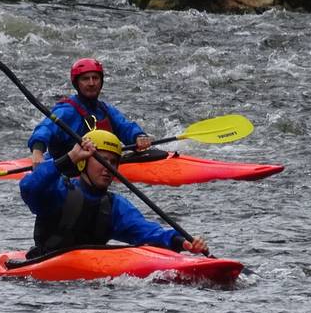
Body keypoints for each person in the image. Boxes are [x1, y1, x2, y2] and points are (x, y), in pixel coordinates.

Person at [19, 129, 208, 260]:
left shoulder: (114, 206)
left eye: (113, 162)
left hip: (88, 277)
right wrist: (69, 158)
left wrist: (183, 242)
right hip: (45, 274)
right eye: (101, 160)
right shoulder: (59, 191)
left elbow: (148, 233)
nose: (108, 167)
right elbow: (29, 187)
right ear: (83, 162)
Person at [28, 57, 153, 164]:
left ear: (101, 81)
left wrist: (139, 137)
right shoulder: (66, 110)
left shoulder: (105, 109)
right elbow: (45, 128)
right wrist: (38, 151)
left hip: (98, 165)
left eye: (95, 78)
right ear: (77, 83)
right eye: (85, 79)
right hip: (67, 166)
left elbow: (126, 127)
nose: (91, 83)